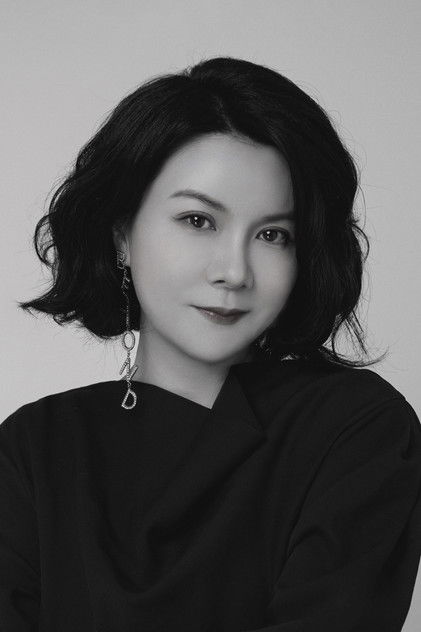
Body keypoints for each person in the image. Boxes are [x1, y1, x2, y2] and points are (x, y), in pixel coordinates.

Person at [1, 56, 420, 632]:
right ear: (122, 234)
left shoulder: (356, 429)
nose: (234, 271)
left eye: (273, 234)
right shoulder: (34, 450)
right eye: (198, 221)